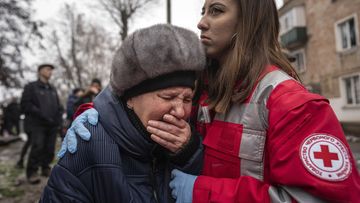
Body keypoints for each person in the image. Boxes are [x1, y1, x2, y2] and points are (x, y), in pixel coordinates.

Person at [61, 0, 360, 202]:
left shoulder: (295, 106)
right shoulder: (203, 85)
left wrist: (202, 192)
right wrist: (95, 117)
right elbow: (138, 95)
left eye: (216, 11)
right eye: (203, 11)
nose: (201, 22)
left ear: (249, 21)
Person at [40, 24, 205, 203]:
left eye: (187, 99)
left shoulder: (189, 141)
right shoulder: (89, 141)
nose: (180, 111)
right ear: (130, 98)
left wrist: (188, 154)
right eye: (168, 97)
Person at [20, 64, 63, 184]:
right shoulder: (31, 87)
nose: (50, 72)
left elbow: (58, 106)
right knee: (38, 146)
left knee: (50, 147)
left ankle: (45, 167)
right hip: (37, 124)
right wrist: (41, 114)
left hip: (52, 124)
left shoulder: (52, 89)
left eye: (51, 70)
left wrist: (58, 117)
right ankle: (32, 171)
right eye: (48, 69)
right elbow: (25, 104)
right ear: (40, 71)